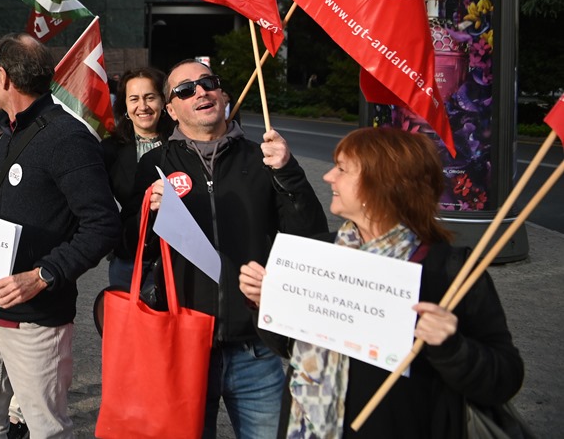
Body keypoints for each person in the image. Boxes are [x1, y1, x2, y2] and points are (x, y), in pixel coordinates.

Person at [239, 127, 524, 438]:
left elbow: (505, 378)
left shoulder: (447, 269)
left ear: (384, 183)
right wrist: (265, 301)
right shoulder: (321, 253)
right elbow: (287, 346)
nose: (328, 177)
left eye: (342, 169)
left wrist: (452, 347)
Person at [0, 33, 120, 439]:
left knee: (44, 427)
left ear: (4, 79)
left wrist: (42, 275)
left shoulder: (68, 138)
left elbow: (102, 226)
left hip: (35, 321)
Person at [132, 58, 327, 438]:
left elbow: (309, 235)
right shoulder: (157, 163)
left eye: (208, 82)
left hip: (258, 345)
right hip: (185, 347)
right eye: (186, 89)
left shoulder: (264, 157)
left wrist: (288, 171)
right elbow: (130, 247)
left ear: (222, 93)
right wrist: (151, 215)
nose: (200, 91)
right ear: (171, 110)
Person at [100, 66, 174, 290]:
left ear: (163, 101)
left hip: (176, 260)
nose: (142, 106)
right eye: (134, 99)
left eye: (150, 97)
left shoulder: (182, 144)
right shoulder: (110, 149)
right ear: (125, 106)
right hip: (129, 258)